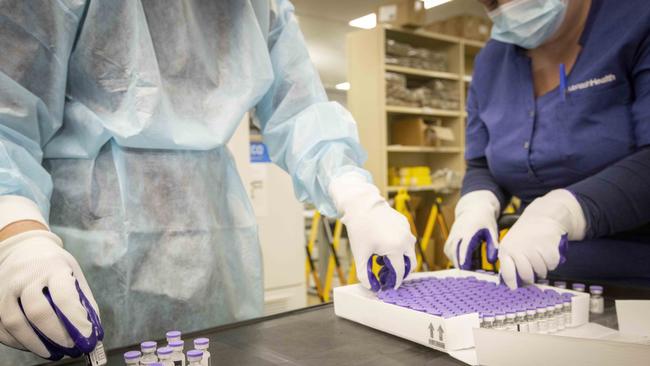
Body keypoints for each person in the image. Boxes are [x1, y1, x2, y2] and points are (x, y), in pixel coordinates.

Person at [0, 1, 416, 363]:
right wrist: (17, 236)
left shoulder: (260, 6)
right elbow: (8, 118)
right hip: (85, 256)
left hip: (218, 257)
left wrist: (356, 195)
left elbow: (301, 109)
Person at [445, 0, 650, 289]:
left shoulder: (637, 22)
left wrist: (560, 212)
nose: (502, 8)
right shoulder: (491, 61)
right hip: (539, 281)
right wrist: (478, 203)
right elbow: (482, 164)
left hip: (638, 281)